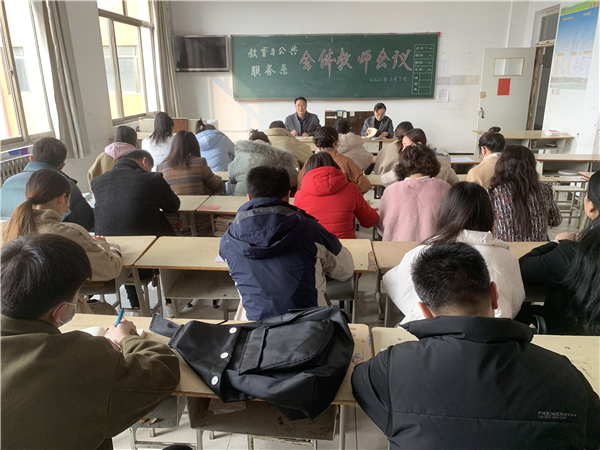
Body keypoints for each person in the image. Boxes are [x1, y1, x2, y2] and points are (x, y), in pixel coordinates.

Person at [352, 241, 600, 449]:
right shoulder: (563, 374)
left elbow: (360, 384)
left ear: (425, 311)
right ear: (494, 295)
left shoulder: (392, 367)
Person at [1, 234, 180, 450]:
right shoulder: (82, 358)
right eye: (77, 296)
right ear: (59, 311)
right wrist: (128, 339)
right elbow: (164, 371)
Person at [219, 166, 354, 321]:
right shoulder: (311, 230)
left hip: (256, 328)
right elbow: (346, 271)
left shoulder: (229, 241)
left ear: (249, 197)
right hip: (309, 326)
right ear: (288, 195)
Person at [384, 182, 525, 324]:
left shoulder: (421, 252)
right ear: (488, 214)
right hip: (492, 334)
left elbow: (401, 292)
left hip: (429, 332)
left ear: (445, 212)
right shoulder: (505, 256)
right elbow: (515, 301)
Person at [2, 169, 123, 315]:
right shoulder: (68, 233)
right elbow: (109, 269)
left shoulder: (5, 230)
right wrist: (111, 247)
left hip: (12, 314)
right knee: (107, 311)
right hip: (58, 316)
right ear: (62, 199)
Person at [92, 149, 180, 309]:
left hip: (109, 255)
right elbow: (173, 206)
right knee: (159, 223)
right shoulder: (152, 179)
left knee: (123, 232)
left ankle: (135, 305)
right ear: (144, 161)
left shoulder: (98, 181)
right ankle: (170, 299)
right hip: (149, 256)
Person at [519, 171, 600, 335]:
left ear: (591, 205)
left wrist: (557, 243)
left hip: (569, 338)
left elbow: (522, 267)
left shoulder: (571, 254)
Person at [1, 137, 94, 231]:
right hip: (50, 238)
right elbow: (87, 222)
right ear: (62, 166)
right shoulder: (64, 185)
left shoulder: (8, 182)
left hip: (8, 237)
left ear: (31, 158)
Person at [294, 152, 379, 239]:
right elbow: (369, 221)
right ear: (335, 166)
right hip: (345, 245)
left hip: (314, 245)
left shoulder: (299, 196)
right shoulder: (351, 189)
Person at [377, 144, 450, 241]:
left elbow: (382, 226)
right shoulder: (444, 187)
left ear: (401, 164)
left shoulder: (391, 190)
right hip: (436, 247)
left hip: (398, 246)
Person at [158, 130, 226, 236]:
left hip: (173, 223)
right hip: (200, 221)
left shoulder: (161, 167)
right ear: (195, 146)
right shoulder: (199, 162)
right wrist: (218, 178)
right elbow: (218, 187)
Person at [489, 145, 561, 242]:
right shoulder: (545, 190)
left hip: (506, 248)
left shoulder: (494, 192)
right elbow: (556, 221)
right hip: (539, 248)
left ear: (501, 166)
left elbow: (484, 225)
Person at [297, 126, 370, 194]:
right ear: (336, 143)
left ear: (318, 147)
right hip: (340, 201)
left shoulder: (309, 162)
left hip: (312, 202)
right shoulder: (346, 162)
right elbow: (364, 186)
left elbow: (300, 185)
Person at [381, 128, 458, 187]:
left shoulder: (408, 163)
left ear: (418, 144)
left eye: (405, 146)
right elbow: (454, 181)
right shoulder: (443, 160)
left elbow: (385, 180)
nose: (403, 149)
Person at [227, 133, 298, 196]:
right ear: (269, 143)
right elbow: (293, 181)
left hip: (241, 199)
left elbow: (231, 178)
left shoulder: (239, 156)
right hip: (271, 200)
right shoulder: (281, 157)